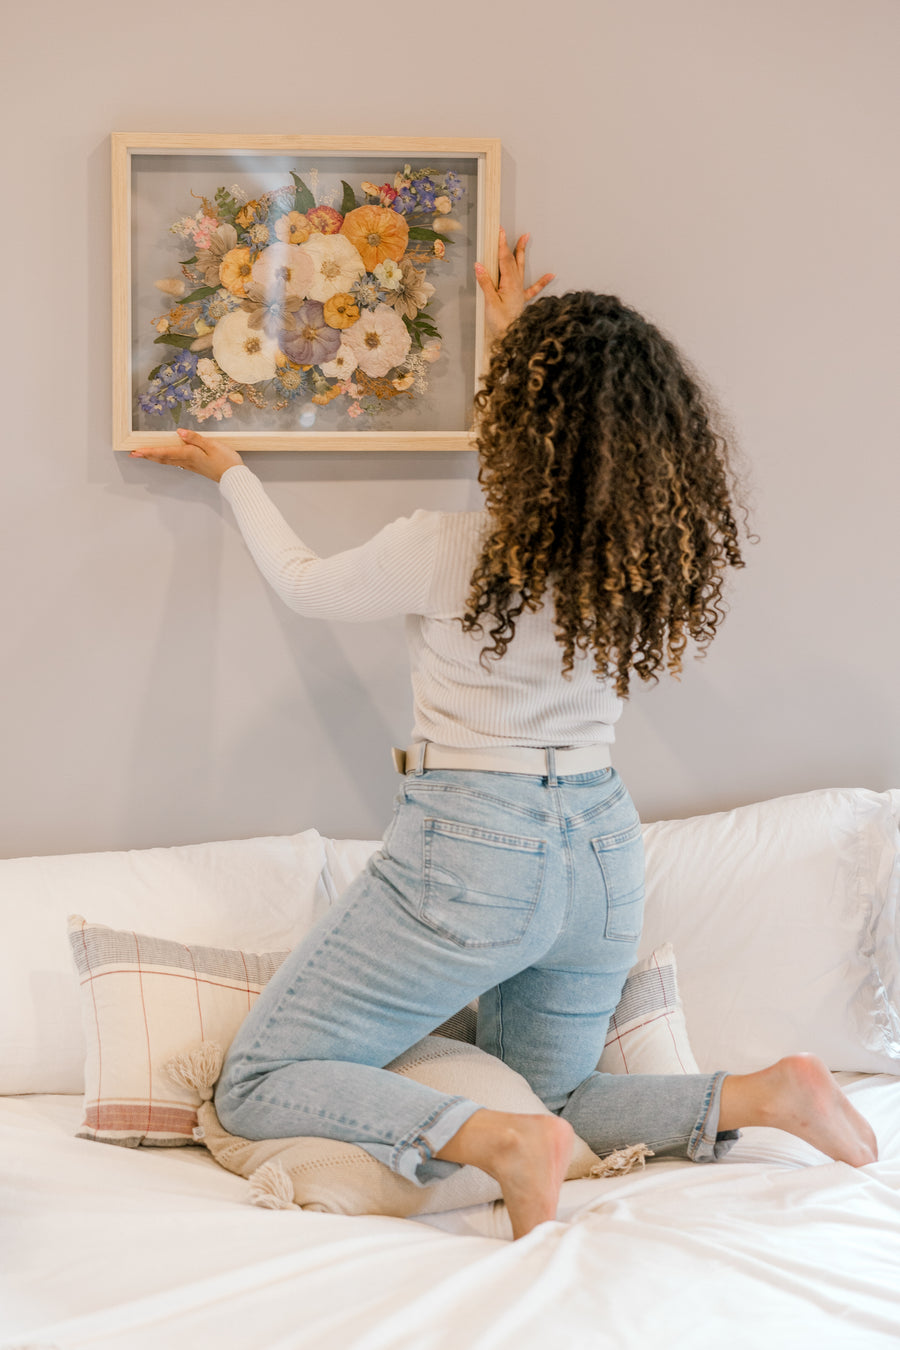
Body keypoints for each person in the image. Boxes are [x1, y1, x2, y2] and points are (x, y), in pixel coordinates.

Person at [132, 230, 877, 1240]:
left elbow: (304, 585)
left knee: (257, 1080)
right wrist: (515, 331)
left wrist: (232, 472)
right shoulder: (632, 566)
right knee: (559, 1096)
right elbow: (570, 438)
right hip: (603, 851)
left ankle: (494, 1141)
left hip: (473, 851)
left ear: (515, 415)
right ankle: (767, 1094)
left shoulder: (446, 551)